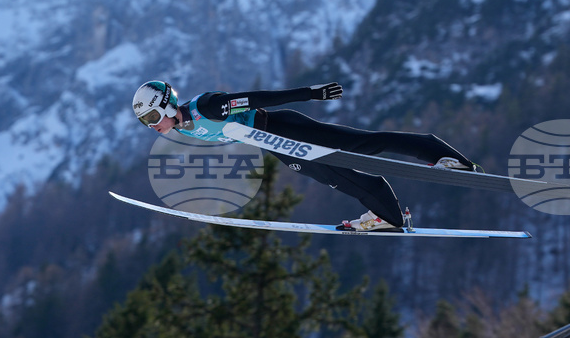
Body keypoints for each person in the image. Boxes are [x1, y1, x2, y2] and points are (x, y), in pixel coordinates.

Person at [131, 80, 477, 231]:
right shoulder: (184, 126)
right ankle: (388, 216)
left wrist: (308, 93)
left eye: (150, 118)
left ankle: (443, 156)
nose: (152, 126)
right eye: (145, 122)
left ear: (166, 105)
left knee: (362, 147)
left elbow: (256, 98)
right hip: (274, 143)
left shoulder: (206, 106)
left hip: (283, 128)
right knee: (333, 176)